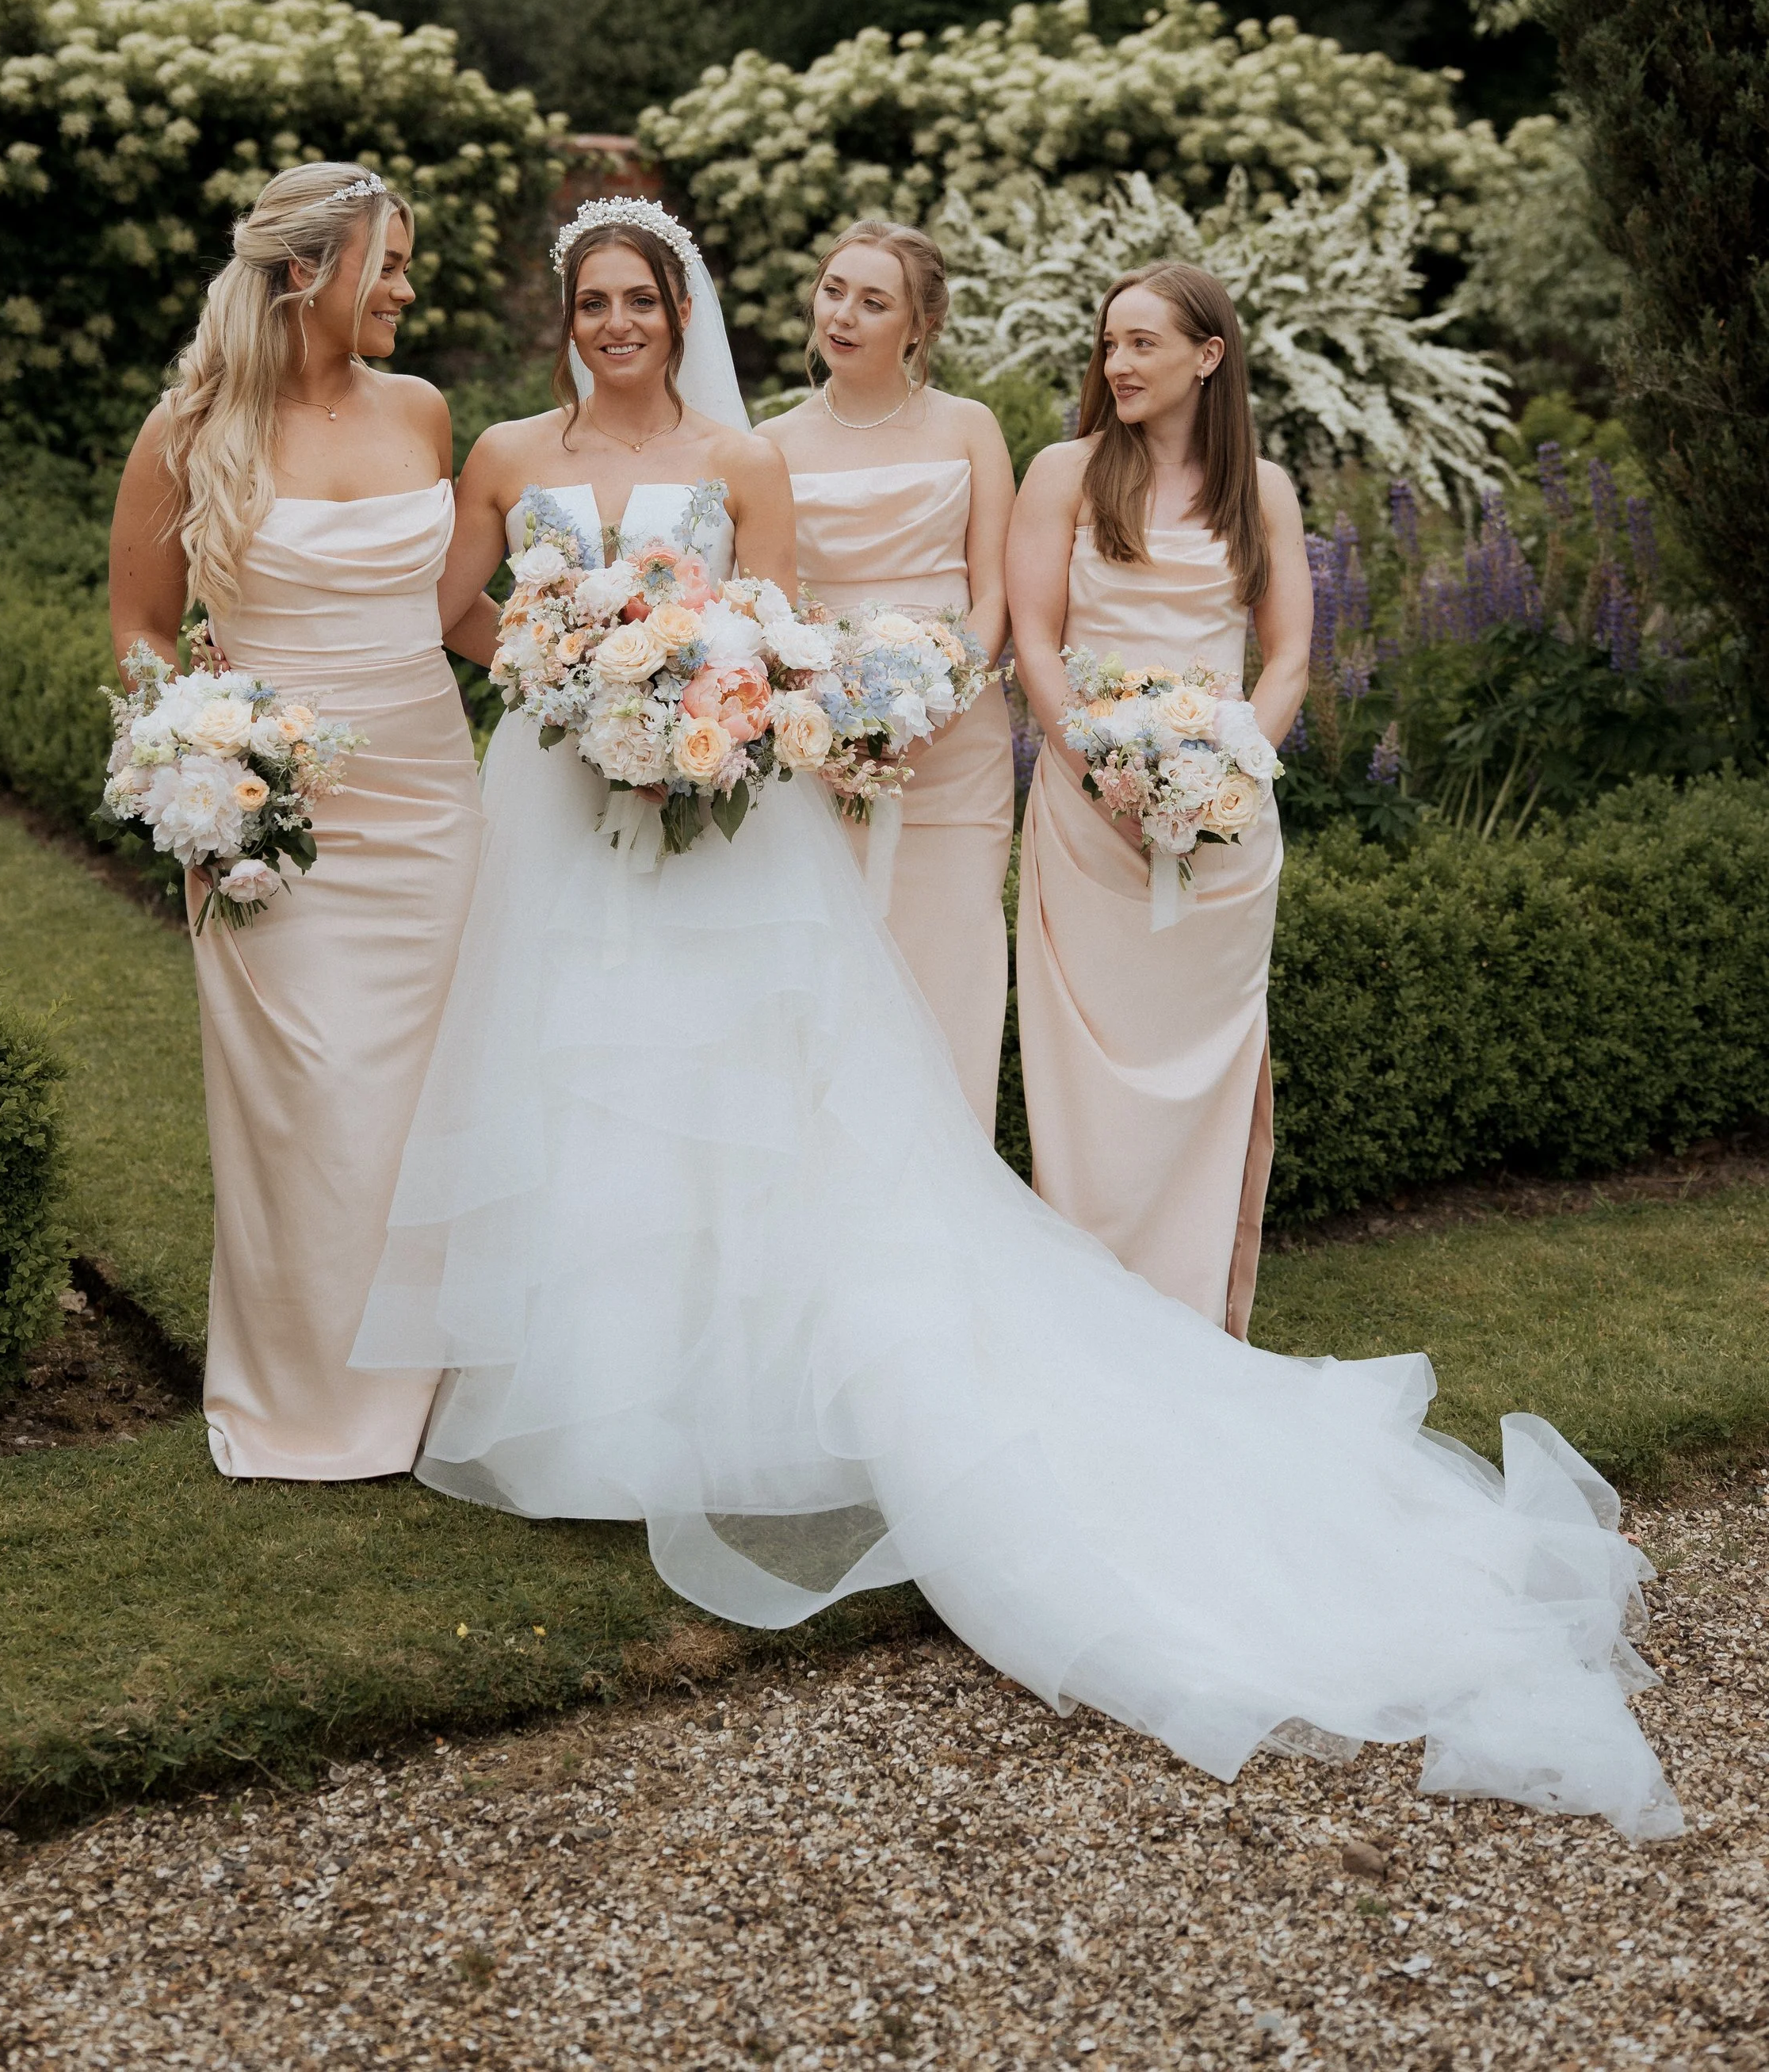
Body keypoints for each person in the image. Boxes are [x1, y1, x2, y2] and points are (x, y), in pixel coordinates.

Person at [353, 198, 1676, 1843]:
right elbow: (455, 610)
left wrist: (698, 694)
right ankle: (592, 1394)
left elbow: (765, 623)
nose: (616, 320)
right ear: (568, 314)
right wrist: (571, 675)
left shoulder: (749, 455)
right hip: (566, 790)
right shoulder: (506, 449)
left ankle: (760, 1376)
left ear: (677, 313)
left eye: (641, 298)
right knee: (578, 1068)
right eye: (594, 301)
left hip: (724, 773)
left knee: (726, 1067)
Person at [109, 162, 491, 1480]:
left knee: (434, 1097)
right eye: (389, 264)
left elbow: (449, 609)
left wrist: (584, 662)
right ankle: (312, 1399)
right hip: (273, 817)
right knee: (316, 1101)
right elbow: (141, 625)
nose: (405, 290)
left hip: (432, 803)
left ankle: (441, 1391)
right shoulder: (188, 429)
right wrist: (195, 750)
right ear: (302, 273)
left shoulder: (423, 411)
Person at [1007, 264, 1310, 1338]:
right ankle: (1085, 1318)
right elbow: (1035, 639)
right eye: (1110, 344)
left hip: (1223, 827)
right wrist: (1102, 776)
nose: (1119, 363)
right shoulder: (1065, 472)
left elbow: (1289, 656)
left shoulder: (1262, 490)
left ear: (1208, 356)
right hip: (1085, 819)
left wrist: (1225, 777)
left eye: (1142, 343)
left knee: (1206, 1068)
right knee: (1088, 1079)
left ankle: (1197, 1317)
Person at [758, 221, 1015, 1132]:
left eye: (873, 302)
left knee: (952, 957)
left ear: (920, 325)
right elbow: (771, 606)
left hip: (959, 743)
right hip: (821, 745)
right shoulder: (770, 443)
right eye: (834, 291)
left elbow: (997, 592)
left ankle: (954, 1173)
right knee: (828, 967)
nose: (843, 315)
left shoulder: (969, 427)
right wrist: (834, 721)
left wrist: (931, 707)